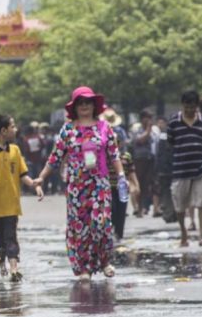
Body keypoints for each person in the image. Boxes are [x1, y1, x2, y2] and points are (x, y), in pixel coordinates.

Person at [36, 86, 125, 281]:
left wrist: (121, 175)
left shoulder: (104, 128)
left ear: (94, 105)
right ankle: (84, 268)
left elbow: (114, 154)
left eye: (88, 102)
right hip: (76, 187)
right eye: (81, 103)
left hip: (99, 185)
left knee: (101, 223)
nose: (84, 106)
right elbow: (55, 157)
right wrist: (41, 177)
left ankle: (104, 261)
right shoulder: (68, 129)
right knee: (80, 228)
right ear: (74, 107)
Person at [0, 115, 43, 281]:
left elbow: (22, 174)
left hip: (11, 205)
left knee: (11, 238)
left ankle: (13, 269)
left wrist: (34, 185)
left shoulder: (15, 150)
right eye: (12, 126)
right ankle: (2, 268)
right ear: (3, 131)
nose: (15, 129)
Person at [167, 90, 202, 247]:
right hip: (180, 169)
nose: (190, 110)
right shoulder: (173, 122)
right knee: (179, 204)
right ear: (182, 106)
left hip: (201, 169)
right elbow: (170, 143)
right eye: (187, 107)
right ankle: (184, 233)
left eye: (192, 107)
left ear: (197, 106)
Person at [109, 132, 137, 243]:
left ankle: (119, 236)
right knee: (112, 210)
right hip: (109, 187)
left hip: (122, 188)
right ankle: (111, 231)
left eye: (117, 142)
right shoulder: (105, 156)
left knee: (122, 212)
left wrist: (136, 185)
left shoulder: (126, 156)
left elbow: (131, 172)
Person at [132, 110, 159, 217]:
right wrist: (148, 130)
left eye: (150, 117)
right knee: (141, 185)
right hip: (140, 160)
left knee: (155, 184)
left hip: (153, 159)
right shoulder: (136, 129)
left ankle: (156, 209)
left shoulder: (155, 130)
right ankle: (140, 209)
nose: (148, 120)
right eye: (146, 117)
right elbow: (140, 140)